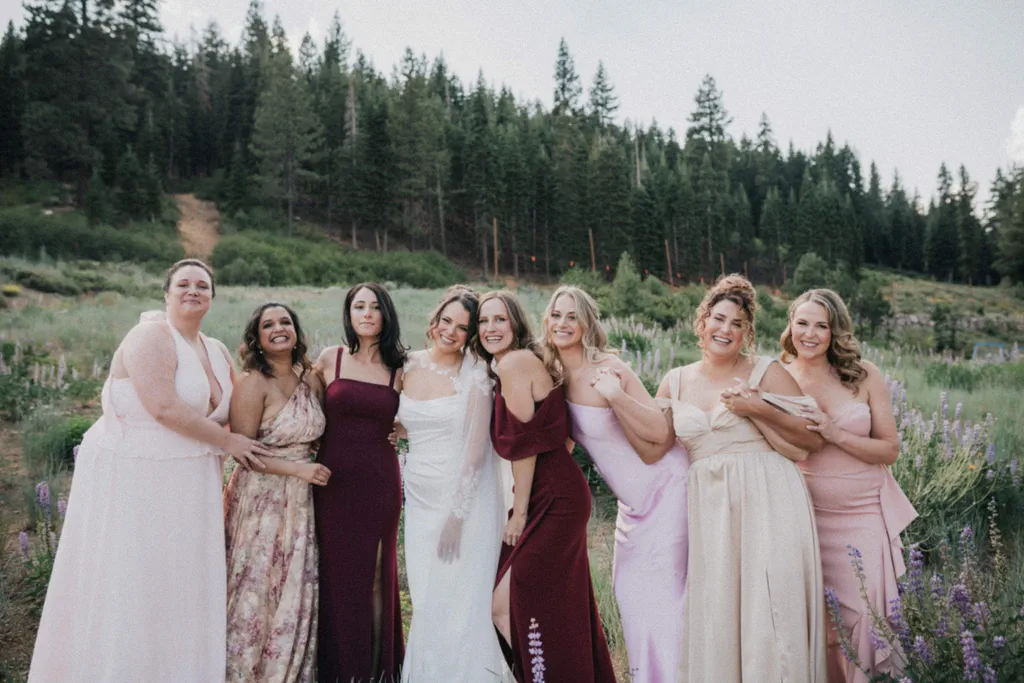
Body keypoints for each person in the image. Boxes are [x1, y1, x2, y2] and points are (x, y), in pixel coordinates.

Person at [28, 259, 272, 683]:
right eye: (183, 284)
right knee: (138, 579)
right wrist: (229, 443)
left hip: (193, 478)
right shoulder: (150, 336)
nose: (193, 290)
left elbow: (235, 408)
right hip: (139, 477)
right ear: (166, 292)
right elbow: (163, 408)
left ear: (212, 297)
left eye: (202, 285)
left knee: (180, 581)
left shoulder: (215, 349)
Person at [648, 274, 828, 683]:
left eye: (737, 324)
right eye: (719, 319)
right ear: (702, 321)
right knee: (720, 606)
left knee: (769, 606)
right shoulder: (675, 380)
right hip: (711, 510)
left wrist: (757, 408)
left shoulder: (766, 371)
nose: (725, 329)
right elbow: (653, 446)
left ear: (748, 333)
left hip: (770, 498)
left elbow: (811, 439)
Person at [540, 285, 688, 683]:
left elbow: (659, 431)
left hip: (668, 490)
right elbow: (561, 444)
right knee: (630, 594)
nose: (563, 323)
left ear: (587, 323)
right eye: (556, 315)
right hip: (632, 505)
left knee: (666, 598)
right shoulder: (553, 376)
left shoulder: (610, 368)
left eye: (572, 316)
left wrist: (614, 395)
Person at [476, 290, 617, 683]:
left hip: (554, 499)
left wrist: (519, 513)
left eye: (499, 319)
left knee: (510, 600)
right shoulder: (518, 362)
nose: (490, 328)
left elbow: (525, 445)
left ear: (516, 323)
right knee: (540, 603)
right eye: (483, 321)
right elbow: (555, 434)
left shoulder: (515, 363)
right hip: (553, 490)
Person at [781, 288, 917, 683]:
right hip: (805, 517)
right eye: (802, 323)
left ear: (835, 331)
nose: (809, 334)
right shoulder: (779, 376)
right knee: (820, 627)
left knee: (868, 618)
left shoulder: (864, 374)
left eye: (821, 326)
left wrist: (834, 433)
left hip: (863, 515)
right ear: (790, 326)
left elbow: (889, 449)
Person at [398, 286, 508, 682]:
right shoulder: (406, 364)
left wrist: (457, 516)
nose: (450, 331)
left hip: (462, 500)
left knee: (458, 597)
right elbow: (404, 420)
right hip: (419, 497)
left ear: (470, 335)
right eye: (446, 321)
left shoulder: (475, 375)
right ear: (435, 320)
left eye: (461, 328)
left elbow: (476, 450)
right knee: (426, 595)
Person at [224, 302, 330, 683]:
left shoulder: (312, 379)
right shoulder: (252, 383)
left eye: (285, 321)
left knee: (292, 585)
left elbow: (321, 432)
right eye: (268, 325)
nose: (278, 328)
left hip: (300, 503)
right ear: (257, 338)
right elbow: (243, 453)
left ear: (297, 332)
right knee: (256, 586)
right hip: (261, 502)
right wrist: (298, 469)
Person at [313, 282, 407, 683]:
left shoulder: (402, 369)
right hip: (332, 483)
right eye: (358, 306)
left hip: (379, 483)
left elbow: (429, 411)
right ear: (348, 314)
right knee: (336, 577)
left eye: (375, 307)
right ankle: (338, 671)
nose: (366, 313)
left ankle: (376, 673)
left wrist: (406, 430)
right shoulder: (329, 359)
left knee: (376, 576)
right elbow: (303, 414)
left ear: (386, 314)